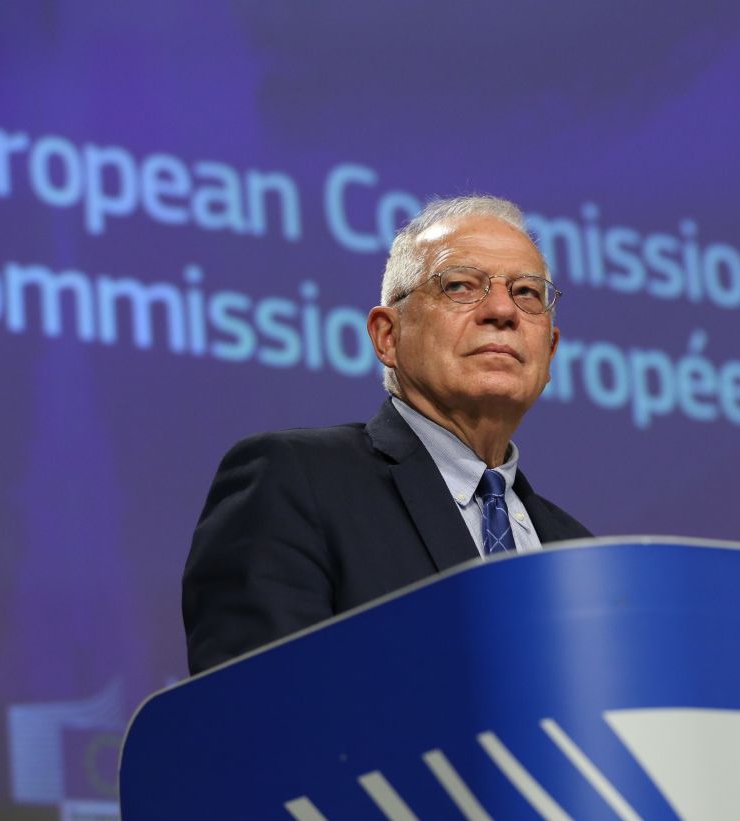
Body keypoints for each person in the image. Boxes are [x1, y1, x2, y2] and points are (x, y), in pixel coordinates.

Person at [182, 195, 592, 674]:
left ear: (551, 351)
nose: (503, 310)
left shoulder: (578, 551)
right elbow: (255, 711)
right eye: (460, 285)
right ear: (387, 336)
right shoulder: (296, 482)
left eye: (527, 293)